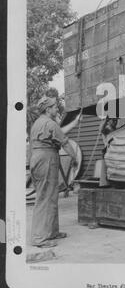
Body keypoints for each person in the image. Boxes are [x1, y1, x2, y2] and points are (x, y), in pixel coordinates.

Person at [29, 96, 81, 248]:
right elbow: (64, 142)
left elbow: (59, 131)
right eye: (55, 107)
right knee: (45, 198)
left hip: (38, 158)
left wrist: (75, 122)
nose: (57, 109)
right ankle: (40, 238)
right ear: (48, 109)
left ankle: (52, 232)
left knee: (50, 196)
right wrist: (74, 158)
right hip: (46, 159)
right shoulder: (50, 123)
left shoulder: (38, 123)